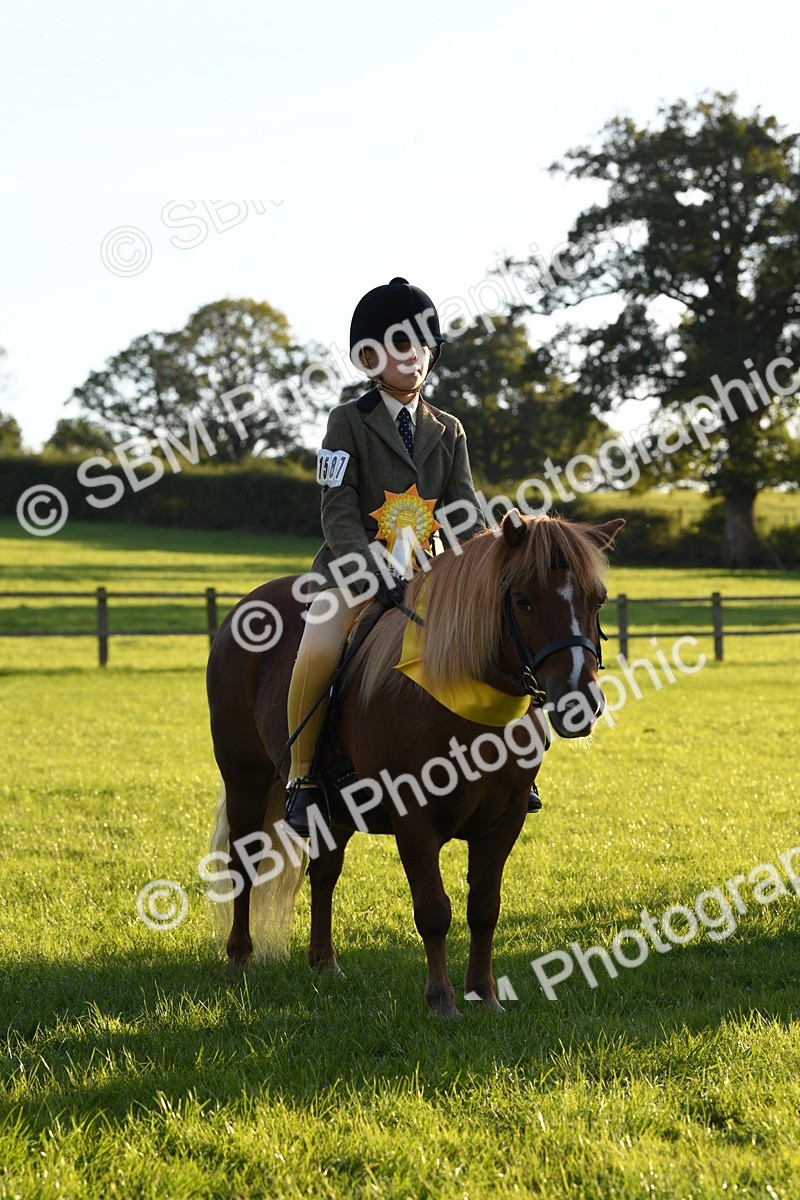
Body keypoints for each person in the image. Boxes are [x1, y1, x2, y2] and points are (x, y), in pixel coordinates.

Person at [284, 277, 538, 837]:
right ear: (371, 358)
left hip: (428, 571)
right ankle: (303, 780)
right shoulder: (346, 421)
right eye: (401, 346)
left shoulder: (448, 429)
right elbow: (338, 509)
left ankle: (515, 762)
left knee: (505, 634)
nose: (414, 357)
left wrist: (484, 559)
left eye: (423, 346)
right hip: (354, 570)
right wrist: (373, 569)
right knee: (320, 645)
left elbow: (464, 510)